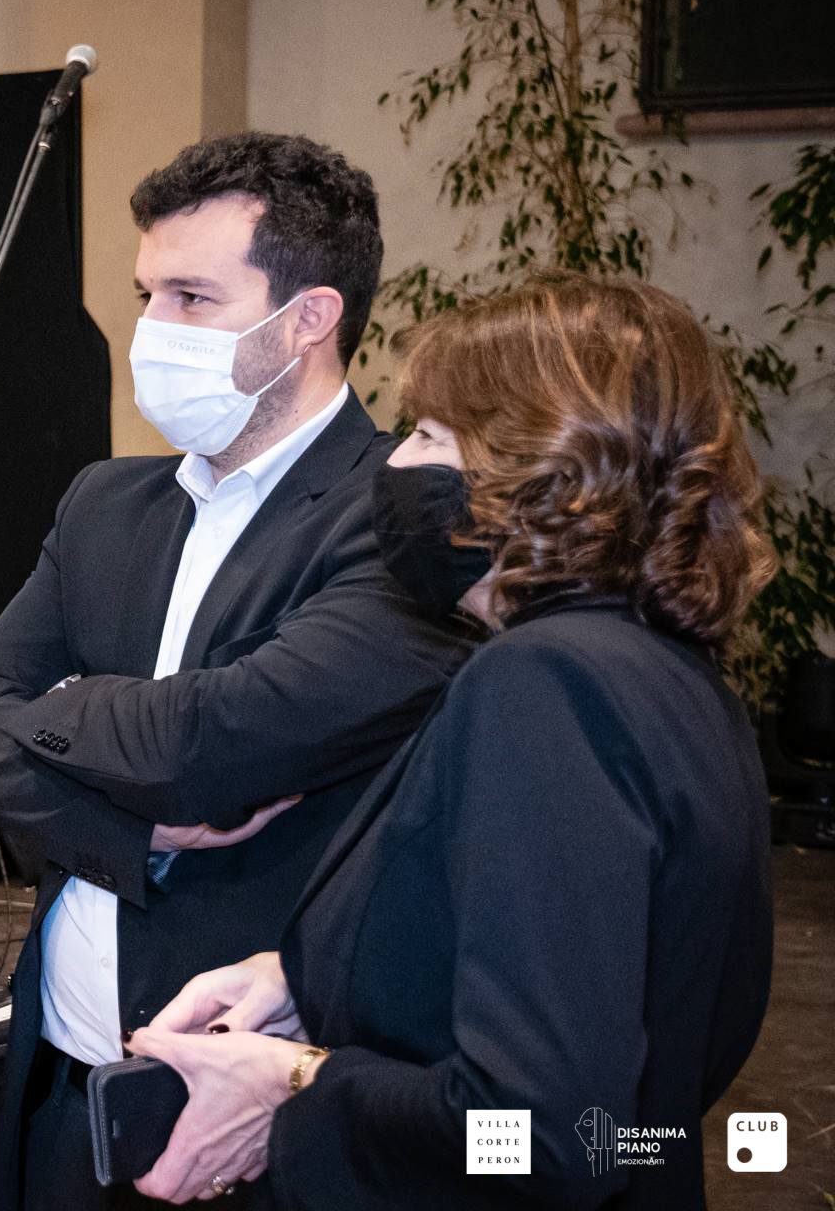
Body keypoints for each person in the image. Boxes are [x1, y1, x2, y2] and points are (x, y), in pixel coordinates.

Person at [127, 274, 775, 1209]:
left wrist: (295, 1084)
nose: (395, 464)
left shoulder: (544, 684)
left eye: (430, 436)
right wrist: (307, 979)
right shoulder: (671, 676)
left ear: (540, 466)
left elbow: (542, 1140)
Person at [0, 132, 478, 1210]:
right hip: (63, 1083)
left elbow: (209, 749)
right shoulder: (104, 502)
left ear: (309, 318)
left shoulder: (403, 519)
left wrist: (64, 706)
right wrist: (132, 828)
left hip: (257, 1114)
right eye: (148, 295)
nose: (154, 329)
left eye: (192, 297)